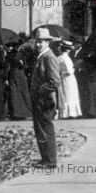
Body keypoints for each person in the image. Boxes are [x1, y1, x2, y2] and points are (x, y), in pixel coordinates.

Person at [30, 27, 61, 168]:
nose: (38, 44)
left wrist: (39, 91)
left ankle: (50, 160)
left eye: (41, 42)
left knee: (45, 128)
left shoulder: (49, 57)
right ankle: (45, 158)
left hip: (45, 99)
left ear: (47, 42)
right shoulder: (42, 56)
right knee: (40, 128)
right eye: (37, 41)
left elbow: (54, 81)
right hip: (40, 99)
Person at [6, 42, 32, 121]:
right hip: (18, 74)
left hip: (15, 74)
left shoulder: (11, 54)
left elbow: (7, 66)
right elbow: (25, 66)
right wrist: (22, 64)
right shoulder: (20, 54)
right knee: (18, 93)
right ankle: (19, 113)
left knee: (15, 93)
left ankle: (15, 113)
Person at [57, 41, 82, 119]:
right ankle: (71, 113)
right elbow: (69, 71)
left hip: (62, 78)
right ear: (68, 50)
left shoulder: (59, 57)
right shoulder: (66, 58)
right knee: (70, 94)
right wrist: (74, 68)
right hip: (69, 78)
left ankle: (65, 112)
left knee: (65, 94)